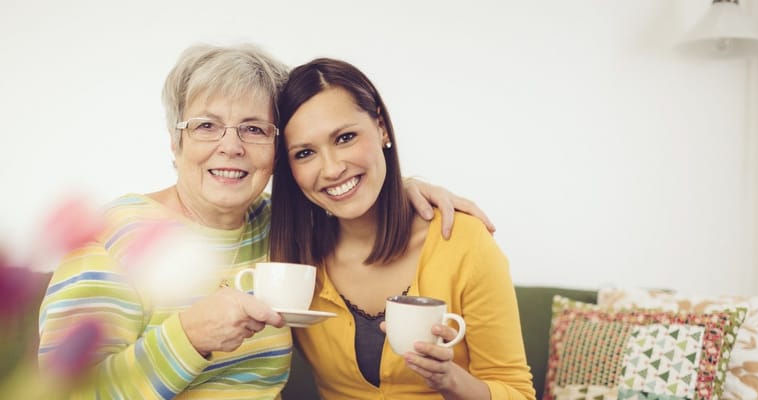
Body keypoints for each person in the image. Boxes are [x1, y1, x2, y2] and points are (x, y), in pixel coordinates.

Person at [37, 44, 494, 399]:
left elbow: (345, 184)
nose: (231, 146)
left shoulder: (281, 230)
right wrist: (189, 336)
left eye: (254, 129)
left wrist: (406, 188)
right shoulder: (112, 238)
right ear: (174, 143)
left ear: (277, 153)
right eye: (206, 126)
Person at [269, 58, 535, 400]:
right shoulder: (290, 254)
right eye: (305, 153)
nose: (332, 168)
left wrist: (450, 379)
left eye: (345, 137)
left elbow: (518, 392)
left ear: (381, 127)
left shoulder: (462, 242)